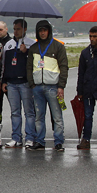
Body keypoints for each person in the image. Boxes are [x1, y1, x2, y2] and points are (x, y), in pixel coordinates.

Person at [27, 20, 68, 151]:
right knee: (39, 117)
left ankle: (59, 141)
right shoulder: (33, 48)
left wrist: (61, 86)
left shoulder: (58, 46)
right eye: (40, 30)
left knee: (57, 116)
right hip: (37, 87)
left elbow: (64, 67)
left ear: (49, 31)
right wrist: (32, 84)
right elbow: (29, 67)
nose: (43, 33)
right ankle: (39, 140)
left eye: (45, 30)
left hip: (53, 87)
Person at [0, 18, 36, 148]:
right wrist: (4, 81)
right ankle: (16, 138)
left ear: (25, 29)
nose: (16, 31)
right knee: (15, 112)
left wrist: (26, 53)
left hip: (25, 83)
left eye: (18, 29)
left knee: (29, 112)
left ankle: (30, 137)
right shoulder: (8, 44)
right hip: (12, 83)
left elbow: (35, 64)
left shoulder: (31, 44)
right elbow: (4, 65)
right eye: (14, 29)